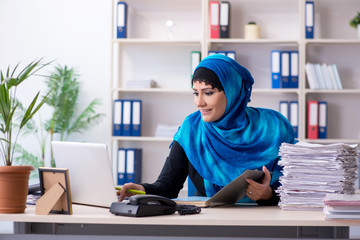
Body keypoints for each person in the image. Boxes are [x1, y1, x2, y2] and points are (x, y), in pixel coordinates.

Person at [118, 54, 295, 205]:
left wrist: (268, 195)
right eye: (196, 93)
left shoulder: (274, 126)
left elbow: (295, 190)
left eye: (208, 93)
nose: (199, 102)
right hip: (207, 223)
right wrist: (141, 190)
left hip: (265, 225)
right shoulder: (192, 129)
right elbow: (167, 187)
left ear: (232, 91)